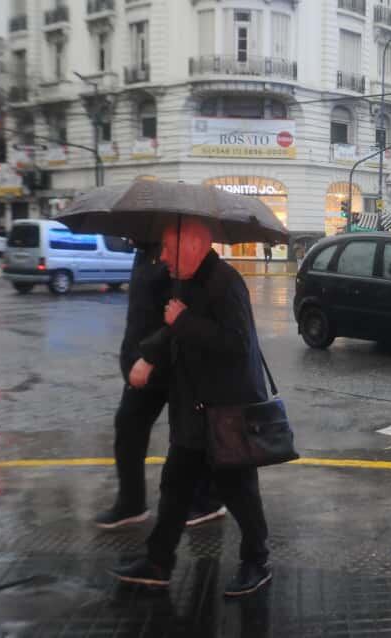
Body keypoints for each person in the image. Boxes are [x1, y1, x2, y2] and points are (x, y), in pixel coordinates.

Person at [110, 218, 272, 597]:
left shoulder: (226, 283)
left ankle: (257, 560)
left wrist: (183, 320)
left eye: (168, 249)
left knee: (239, 491)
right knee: (176, 486)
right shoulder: (188, 280)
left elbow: (236, 344)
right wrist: (149, 356)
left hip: (226, 411)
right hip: (194, 408)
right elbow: (171, 331)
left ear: (194, 246)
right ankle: (158, 562)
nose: (162, 256)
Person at [95, 242, 224, 530]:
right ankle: (131, 502)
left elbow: (181, 313)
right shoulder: (144, 251)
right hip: (142, 361)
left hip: (173, 363)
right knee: (128, 426)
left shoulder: (176, 252)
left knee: (189, 437)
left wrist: (151, 357)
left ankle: (208, 500)